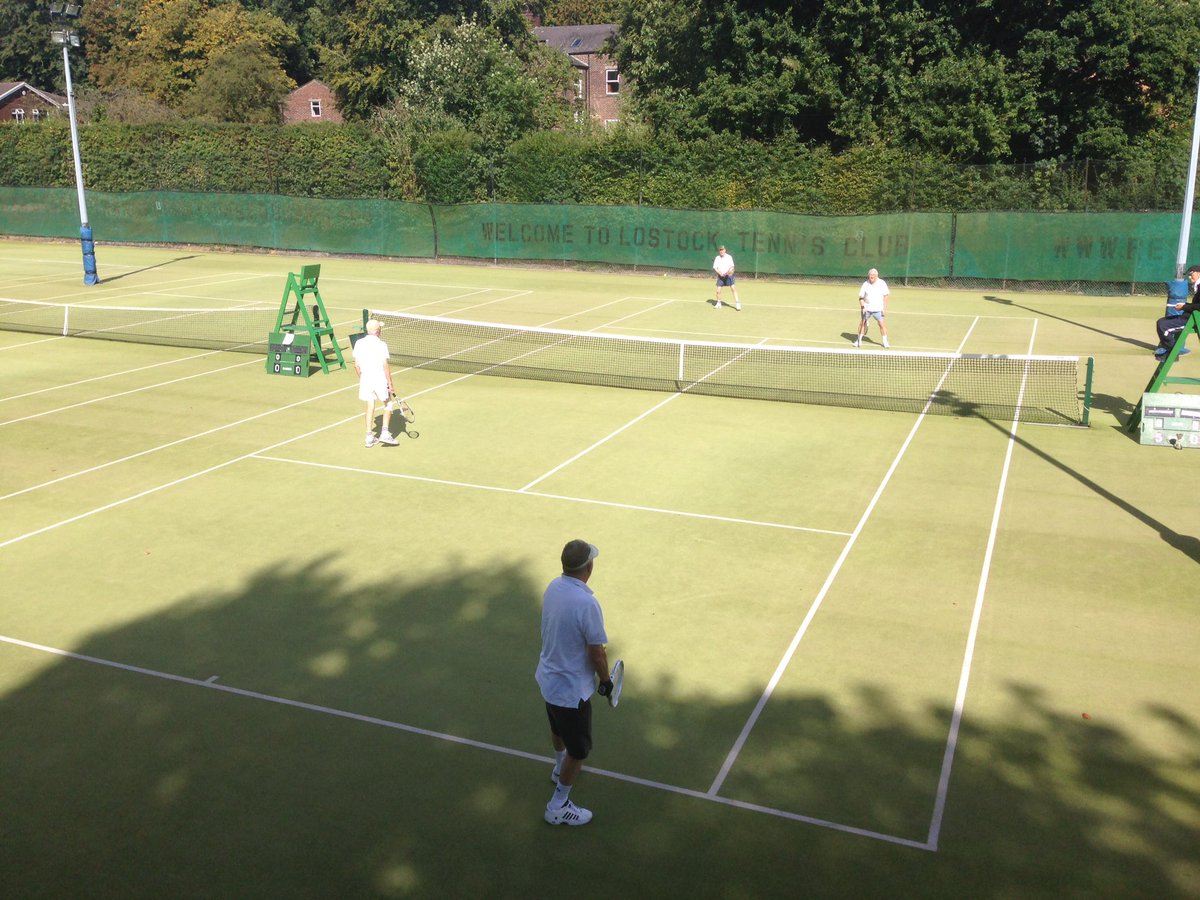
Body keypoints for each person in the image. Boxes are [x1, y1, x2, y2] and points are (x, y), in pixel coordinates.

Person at [534, 539, 612, 826]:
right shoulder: (587, 603)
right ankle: (558, 805)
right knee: (579, 751)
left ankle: (558, 768)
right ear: (588, 567)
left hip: (549, 680)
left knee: (557, 727)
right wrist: (605, 682)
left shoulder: (554, 587)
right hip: (571, 690)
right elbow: (597, 652)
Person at [352, 319, 399, 447]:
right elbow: (385, 366)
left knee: (370, 405)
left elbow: (356, 365)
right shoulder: (382, 344)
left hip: (365, 378)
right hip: (379, 379)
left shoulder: (358, 343)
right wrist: (390, 383)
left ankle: (368, 437)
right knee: (388, 403)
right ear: (378, 330)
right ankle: (384, 433)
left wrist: (363, 378)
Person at [1154, 264, 1200, 358]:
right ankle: (1169, 349)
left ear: (1199, 274)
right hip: (1188, 317)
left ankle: (1172, 352)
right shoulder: (1197, 286)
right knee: (1161, 322)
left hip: (1192, 320)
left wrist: (1184, 307)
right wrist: (1185, 305)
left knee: (1163, 326)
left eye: (1192, 274)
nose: (1190, 277)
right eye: (1189, 275)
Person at [854, 267, 890, 348]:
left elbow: (886, 296)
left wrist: (884, 308)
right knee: (862, 323)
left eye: (873, 275)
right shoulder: (865, 284)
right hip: (867, 309)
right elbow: (861, 297)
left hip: (878, 309)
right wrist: (863, 307)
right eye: (870, 275)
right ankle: (858, 340)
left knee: (881, 324)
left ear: (877, 275)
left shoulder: (882, 283)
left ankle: (885, 341)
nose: (871, 277)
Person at [712, 246, 741, 310]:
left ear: (725, 250)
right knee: (718, 291)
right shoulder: (717, 258)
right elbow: (715, 267)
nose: (721, 251)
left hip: (729, 276)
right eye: (720, 250)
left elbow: (732, 267)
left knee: (733, 289)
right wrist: (720, 273)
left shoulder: (729, 257)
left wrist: (729, 272)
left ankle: (737, 303)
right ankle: (719, 303)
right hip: (721, 277)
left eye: (722, 250)